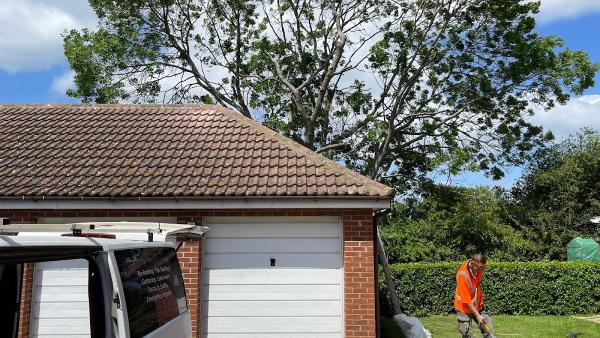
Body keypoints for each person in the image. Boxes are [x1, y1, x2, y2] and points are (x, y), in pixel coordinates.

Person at [453, 253, 495, 338]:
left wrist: (478, 306)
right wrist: (477, 315)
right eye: (480, 268)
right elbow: (466, 300)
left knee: (489, 330)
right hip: (463, 308)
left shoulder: (478, 270)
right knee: (467, 334)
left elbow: (477, 286)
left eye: (484, 267)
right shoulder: (462, 274)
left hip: (477, 306)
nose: (482, 270)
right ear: (472, 263)